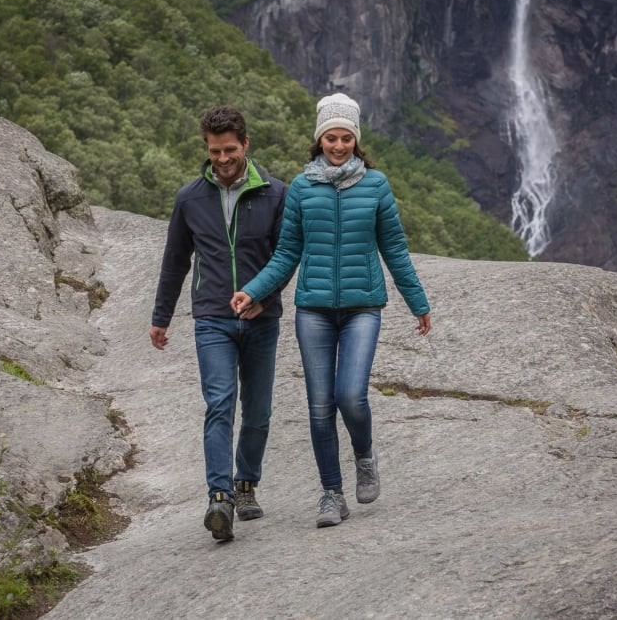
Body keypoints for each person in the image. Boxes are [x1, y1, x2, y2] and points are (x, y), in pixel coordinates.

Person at [231, 93, 431, 528]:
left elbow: (394, 248)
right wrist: (253, 290)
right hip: (314, 311)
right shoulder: (302, 188)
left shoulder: (376, 186)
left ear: (356, 141)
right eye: (330, 139)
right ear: (319, 140)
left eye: (345, 139)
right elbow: (287, 253)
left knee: (350, 396)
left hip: (363, 307)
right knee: (320, 405)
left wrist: (417, 302)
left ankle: (364, 454)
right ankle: (331, 494)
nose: (338, 146)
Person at [150, 105, 287, 542]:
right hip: (212, 317)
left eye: (230, 149)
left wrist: (264, 298)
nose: (223, 159)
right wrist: (161, 318)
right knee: (220, 402)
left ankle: (247, 484)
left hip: (262, 318)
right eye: (215, 151)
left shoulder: (275, 194)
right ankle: (220, 497)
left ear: (245, 144)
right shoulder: (190, 197)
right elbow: (175, 261)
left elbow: (286, 259)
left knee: (259, 411)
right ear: (205, 149)